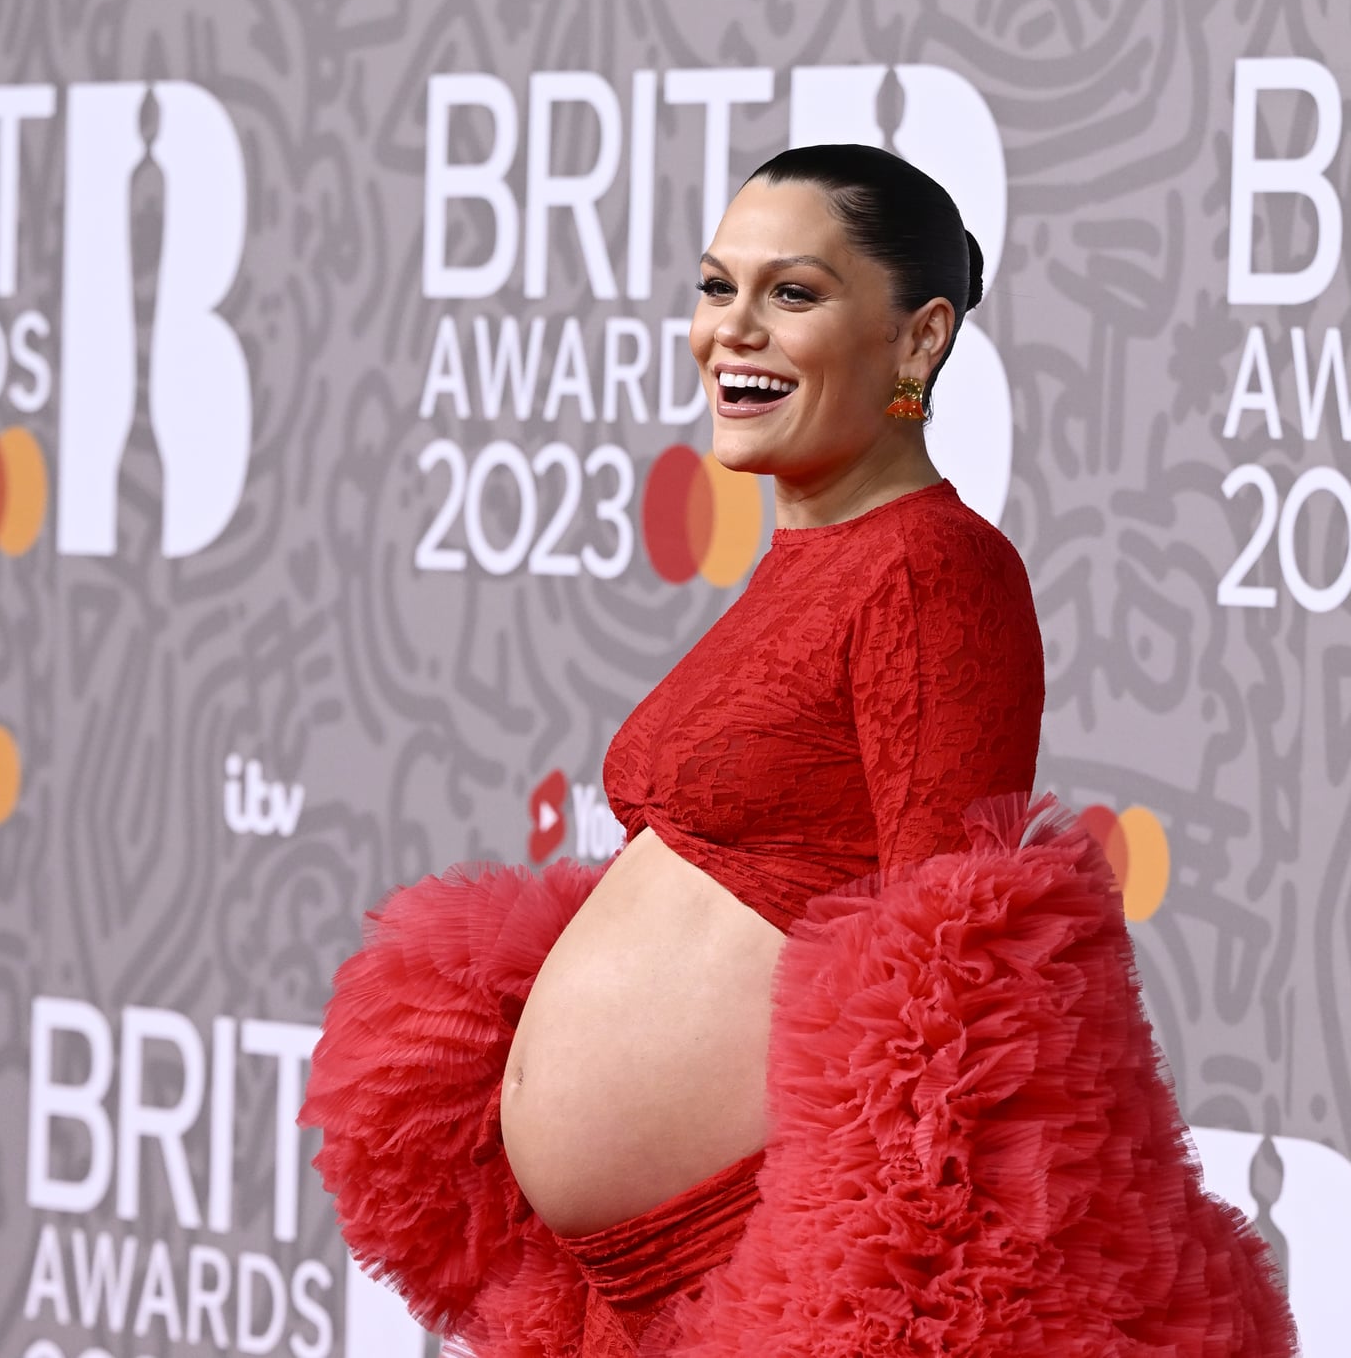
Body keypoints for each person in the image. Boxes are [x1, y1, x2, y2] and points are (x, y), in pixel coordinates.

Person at [301, 144, 1296, 1358]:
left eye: (794, 294)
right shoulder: (806, 563)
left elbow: (955, 981)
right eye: (716, 288)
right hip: (644, 1290)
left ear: (917, 340)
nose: (733, 331)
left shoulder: (931, 570)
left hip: (792, 1279)